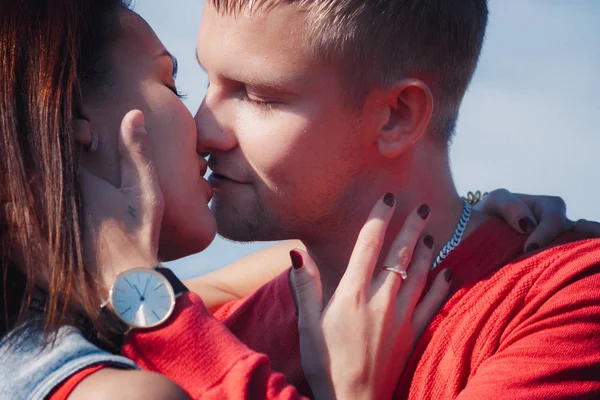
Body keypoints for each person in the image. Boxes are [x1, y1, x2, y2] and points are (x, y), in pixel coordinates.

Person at [0, 0, 593, 399]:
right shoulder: (190, 330)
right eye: (201, 81)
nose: (204, 129)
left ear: (397, 115)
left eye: (257, 95)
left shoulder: (564, 303)